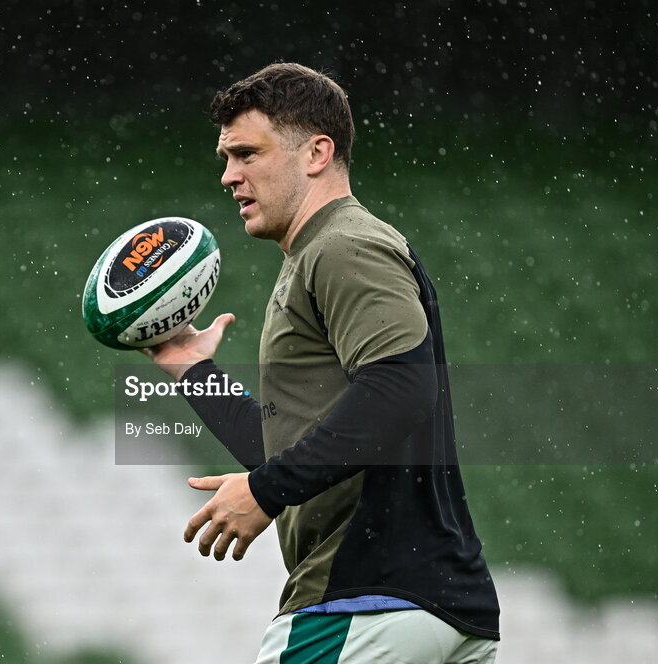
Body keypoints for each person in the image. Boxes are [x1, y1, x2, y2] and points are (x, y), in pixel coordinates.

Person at [142, 63, 500, 663]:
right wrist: (192, 368)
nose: (229, 176)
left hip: (365, 606)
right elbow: (302, 450)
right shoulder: (320, 252)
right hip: (424, 607)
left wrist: (264, 491)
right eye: (225, 159)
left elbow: (403, 387)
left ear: (317, 152)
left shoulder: (343, 244)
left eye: (247, 153)